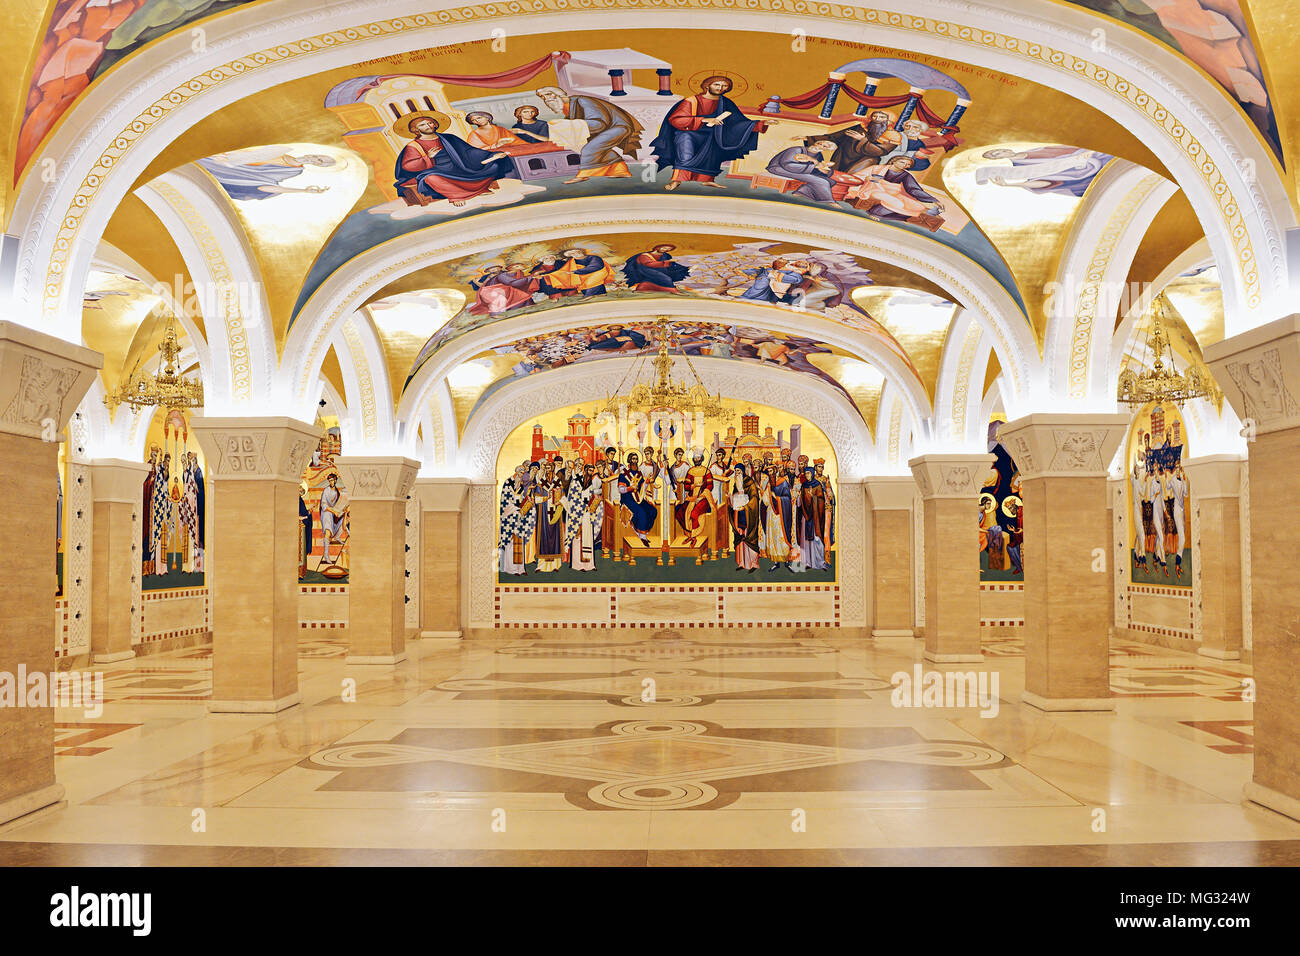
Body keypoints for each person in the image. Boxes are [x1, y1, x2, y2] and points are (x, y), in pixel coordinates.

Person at [650, 75, 767, 190]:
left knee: (714, 144)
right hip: (690, 132)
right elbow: (676, 120)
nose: (720, 88)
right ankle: (676, 180)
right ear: (707, 86)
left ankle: (707, 180)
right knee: (686, 147)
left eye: (724, 86)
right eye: (716, 84)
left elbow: (738, 122)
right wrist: (703, 120)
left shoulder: (726, 103)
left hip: (713, 134)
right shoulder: (692, 101)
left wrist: (760, 124)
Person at [392, 112, 514, 207]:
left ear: (435, 124)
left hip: (459, 165)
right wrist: (427, 157)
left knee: (494, 165)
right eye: (422, 125)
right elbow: (408, 165)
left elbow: (468, 151)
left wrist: (490, 155)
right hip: (436, 170)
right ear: (415, 129)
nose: (428, 126)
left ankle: (480, 189)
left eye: (430, 123)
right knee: (431, 178)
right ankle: (456, 195)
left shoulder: (449, 138)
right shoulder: (414, 146)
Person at [534, 87, 643, 182]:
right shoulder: (569, 108)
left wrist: (568, 125)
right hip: (607, 129)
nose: (545, 101)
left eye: (546, 97)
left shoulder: (583, 101)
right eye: (543, 99)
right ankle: (620, 171)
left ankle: (584, 175)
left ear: (554, 95)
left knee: (589, 149)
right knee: (599, 149)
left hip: (618, 127)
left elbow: (599, 124)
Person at [852, 155, 944, 222]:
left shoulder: (906, 175)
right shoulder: (877, 168)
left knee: (915, 205)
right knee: (898, 203)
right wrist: (868, 179)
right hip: (875, 189)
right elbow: (859, 176)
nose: (904, 165)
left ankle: (929, 212)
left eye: (907, 165)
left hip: (893, 193)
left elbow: (914, 189)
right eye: (902, 162)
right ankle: (876, 212)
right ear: (894, 161)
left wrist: (933, 200)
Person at [764, 139, 843, 203]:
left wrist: (824, 171)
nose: (820, 145)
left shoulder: (819, 155)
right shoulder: (797, 150)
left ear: (826, 150)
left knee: (830, 181)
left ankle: (802, 191)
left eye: (824, 146)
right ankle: (829, 202)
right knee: (822, 182)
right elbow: (787, 165)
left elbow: (815, 169)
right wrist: (814, 166)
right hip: (778, 168)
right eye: (819, 143)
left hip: (797, 170)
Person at [618, 452, 658, 547]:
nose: (635, 461)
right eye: (633, 459)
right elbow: (621, 489)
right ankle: (642, 535)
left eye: (636, 459)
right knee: (641, 511)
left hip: (638, 498)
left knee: (652, 510)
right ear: (629, 460)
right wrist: (629, 488)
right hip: (627, 499)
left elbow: (642, 486)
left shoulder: (639, 474)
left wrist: (647, 482)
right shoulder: (624, 474)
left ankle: (644, 531)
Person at [621, 243, 690, 292]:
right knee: (666, 279)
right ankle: (673, 291)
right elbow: (649, 264)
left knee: (652, 281)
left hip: (659, 270)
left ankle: (642, 288)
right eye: (665, 248)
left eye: (668, 249)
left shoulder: (665, 256)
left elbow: (673, 265)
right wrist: (667, 262)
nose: (666, 250)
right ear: (658, 247)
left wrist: (685, 268)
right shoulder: (645, 255)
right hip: (645, 270)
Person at [319, 472, 348, 566]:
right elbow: (324, 505)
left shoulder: (336, 491)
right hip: (327, 512)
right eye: (329, 480)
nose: (331, 482)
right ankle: (326, 554)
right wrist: (333, 511)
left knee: (344, 517)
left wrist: (341, 509)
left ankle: (337, 536)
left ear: (335, 480)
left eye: (332, 480)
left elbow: (338, 502)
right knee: (328, 531)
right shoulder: (326, 491)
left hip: (334, 511)